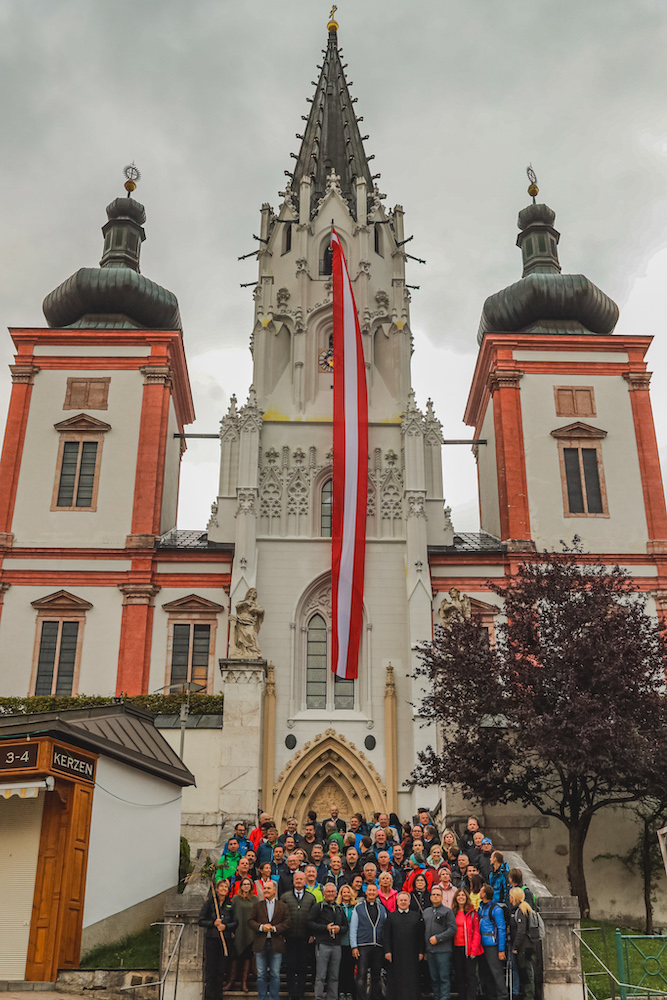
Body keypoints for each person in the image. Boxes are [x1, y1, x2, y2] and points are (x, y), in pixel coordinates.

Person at [248, 879, 290, 1000]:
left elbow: (287, 922)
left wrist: (275, 928)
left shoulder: (283, 906)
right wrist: (261, 927)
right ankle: (262, 998)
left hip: (276, 943)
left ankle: (273, 998)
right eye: (265, 888)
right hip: (260, 943)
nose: (265, 890)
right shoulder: (257, 905)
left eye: (268, 888)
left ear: (275, 890)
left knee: (275, 974)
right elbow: (250, 921)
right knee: (261, 975)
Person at [198, 879, 238, 1000]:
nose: (224, 889)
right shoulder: (210, 903)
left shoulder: (230, 904)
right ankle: (209, 996)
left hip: (225, 940)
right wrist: (213, 923)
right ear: (216, 889)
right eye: (222, 887)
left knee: (221, 969)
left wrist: (225, 926)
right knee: (211, 969)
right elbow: (201, 921)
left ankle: (218, 996)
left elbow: (235, 922)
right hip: (212, 939)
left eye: (226, 888)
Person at [309, 881, 349, 1000]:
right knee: (321, 975)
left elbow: (346, 927)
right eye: (328, 891)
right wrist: (325, 928)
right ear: (324, 893)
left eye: (332, 891)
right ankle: (319, 997)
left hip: (336, 945)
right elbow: (310, 923)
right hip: (323, 944)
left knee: (334, 975)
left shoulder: (339, 908)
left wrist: (339, 929)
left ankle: (332, 997)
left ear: (336, 893)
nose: (331, 893)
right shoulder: (318, 907)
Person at [384, 890, 424, 1000]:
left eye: (405, 900)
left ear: (409, 902)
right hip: (396, 953)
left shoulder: (416, 916)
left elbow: (420, 937)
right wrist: (387, 951)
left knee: (411, 977)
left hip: (412, 953)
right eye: (401, 900)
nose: (403, 902)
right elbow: (387, 936)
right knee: (396, 977)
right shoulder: (391, 917)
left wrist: (421, 951)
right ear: (397, 902)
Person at [281, 870, 316, 1000]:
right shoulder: (285, 897)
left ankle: (300, 993)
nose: (299, 881)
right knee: (290, 966)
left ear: (305, 881)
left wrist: (312, 934)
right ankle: (291, 992)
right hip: (289, 937)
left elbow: (313, 918)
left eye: (301, 879)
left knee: (302, 966)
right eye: (297, 879)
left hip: (304, 938)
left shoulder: (311, 897)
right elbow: (281, 916)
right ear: (293, 881)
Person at [349, 882, 386, 1000]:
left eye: (374, 891)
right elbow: (353, 927)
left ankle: (375, 997)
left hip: (378, 946)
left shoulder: (381, 908)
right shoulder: (358, 907)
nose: (371, 893)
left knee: (376, 975)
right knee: (361, 974)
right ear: (366, 892)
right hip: (363, 945)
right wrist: (354, 946)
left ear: (377, 892)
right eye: (369, 890)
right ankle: (361, 997)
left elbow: (385, 927)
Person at [423, 883, 457, 1000]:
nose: (435, 896)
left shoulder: (448, 911)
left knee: (443, 978)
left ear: (442, 897)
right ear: (430, 897)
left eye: (438, 895)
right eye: (433, 895)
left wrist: (438, 938)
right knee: (434, 978)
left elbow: (452, 929)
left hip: (443, 950)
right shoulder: (426, 912)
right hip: (430, 951)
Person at [451, 887, 483, 1000]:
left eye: (463, 895)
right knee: (459, 977)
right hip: (456, 948)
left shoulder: (473, 912)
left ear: (466, 897)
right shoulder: (452, 913)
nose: (461, 897)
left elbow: (477, 932)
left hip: (469, 949)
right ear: (456, 898)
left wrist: (473, 950)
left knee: (470, 977)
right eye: (459, 895)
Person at [478, 883, 507, 1000]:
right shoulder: (481, 907)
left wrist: (501, 950)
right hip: (482, 945)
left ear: (484, 894)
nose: (479, 892)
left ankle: (502, 996)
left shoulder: (496, 909)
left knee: (497, 972)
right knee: (485, 973)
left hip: (492, 946)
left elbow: (502, 929)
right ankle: (491, 996)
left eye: (481, 890)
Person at [509, 887, 537, 1000]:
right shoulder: (523, 908)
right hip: (527, 945)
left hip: (524, 947)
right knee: (526, 971)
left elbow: (521, 931)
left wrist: (515, 946)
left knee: (526, 972)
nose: (509, 898)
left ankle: (529, 996)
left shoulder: (520, 911)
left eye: (511, 896)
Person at [231, 876, 257, 993]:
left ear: (251, 886)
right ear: (241, 886)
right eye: (244, 884)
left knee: (247, 957)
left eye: (248, 884)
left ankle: (244, 982)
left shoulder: (255, 899)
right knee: (235, 957)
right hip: (238, 930)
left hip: (250, 932)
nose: (246, 886)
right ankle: (231, 981)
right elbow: (232, 913)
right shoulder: (236, 899)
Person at [337, 882, 357, 1000]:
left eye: (348, 892)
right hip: (340, 942)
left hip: (351, 942)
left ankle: (349, 991)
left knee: (350, 969)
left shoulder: (356, 907)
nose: (346, 894)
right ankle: (341, 991)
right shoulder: (337, 907)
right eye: (344, 892)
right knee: (340, 969)